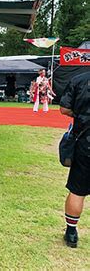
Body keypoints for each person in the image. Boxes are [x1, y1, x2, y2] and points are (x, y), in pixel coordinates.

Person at [59, 71, 90, 248]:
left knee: (78, 190)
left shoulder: (79, 80)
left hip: (84, 143)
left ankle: (71, 232)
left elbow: (64, 108)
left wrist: (80, 115)